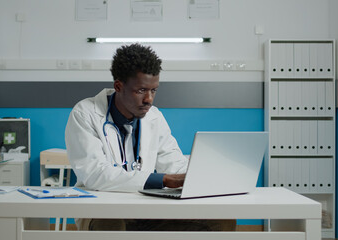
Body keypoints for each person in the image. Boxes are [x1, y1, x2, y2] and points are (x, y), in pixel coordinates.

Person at [65, 43, 235, 231]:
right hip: (103, 209)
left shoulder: (154, 117)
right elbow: (95, 175)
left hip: (145, 207)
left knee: (221, 221)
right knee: (110, 225)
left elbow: (174, 163)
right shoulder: (85, 113)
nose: (149, 99)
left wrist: (199, 174)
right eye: (141, 91)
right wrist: (162, 180)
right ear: (118, 86)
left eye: (153, 90)